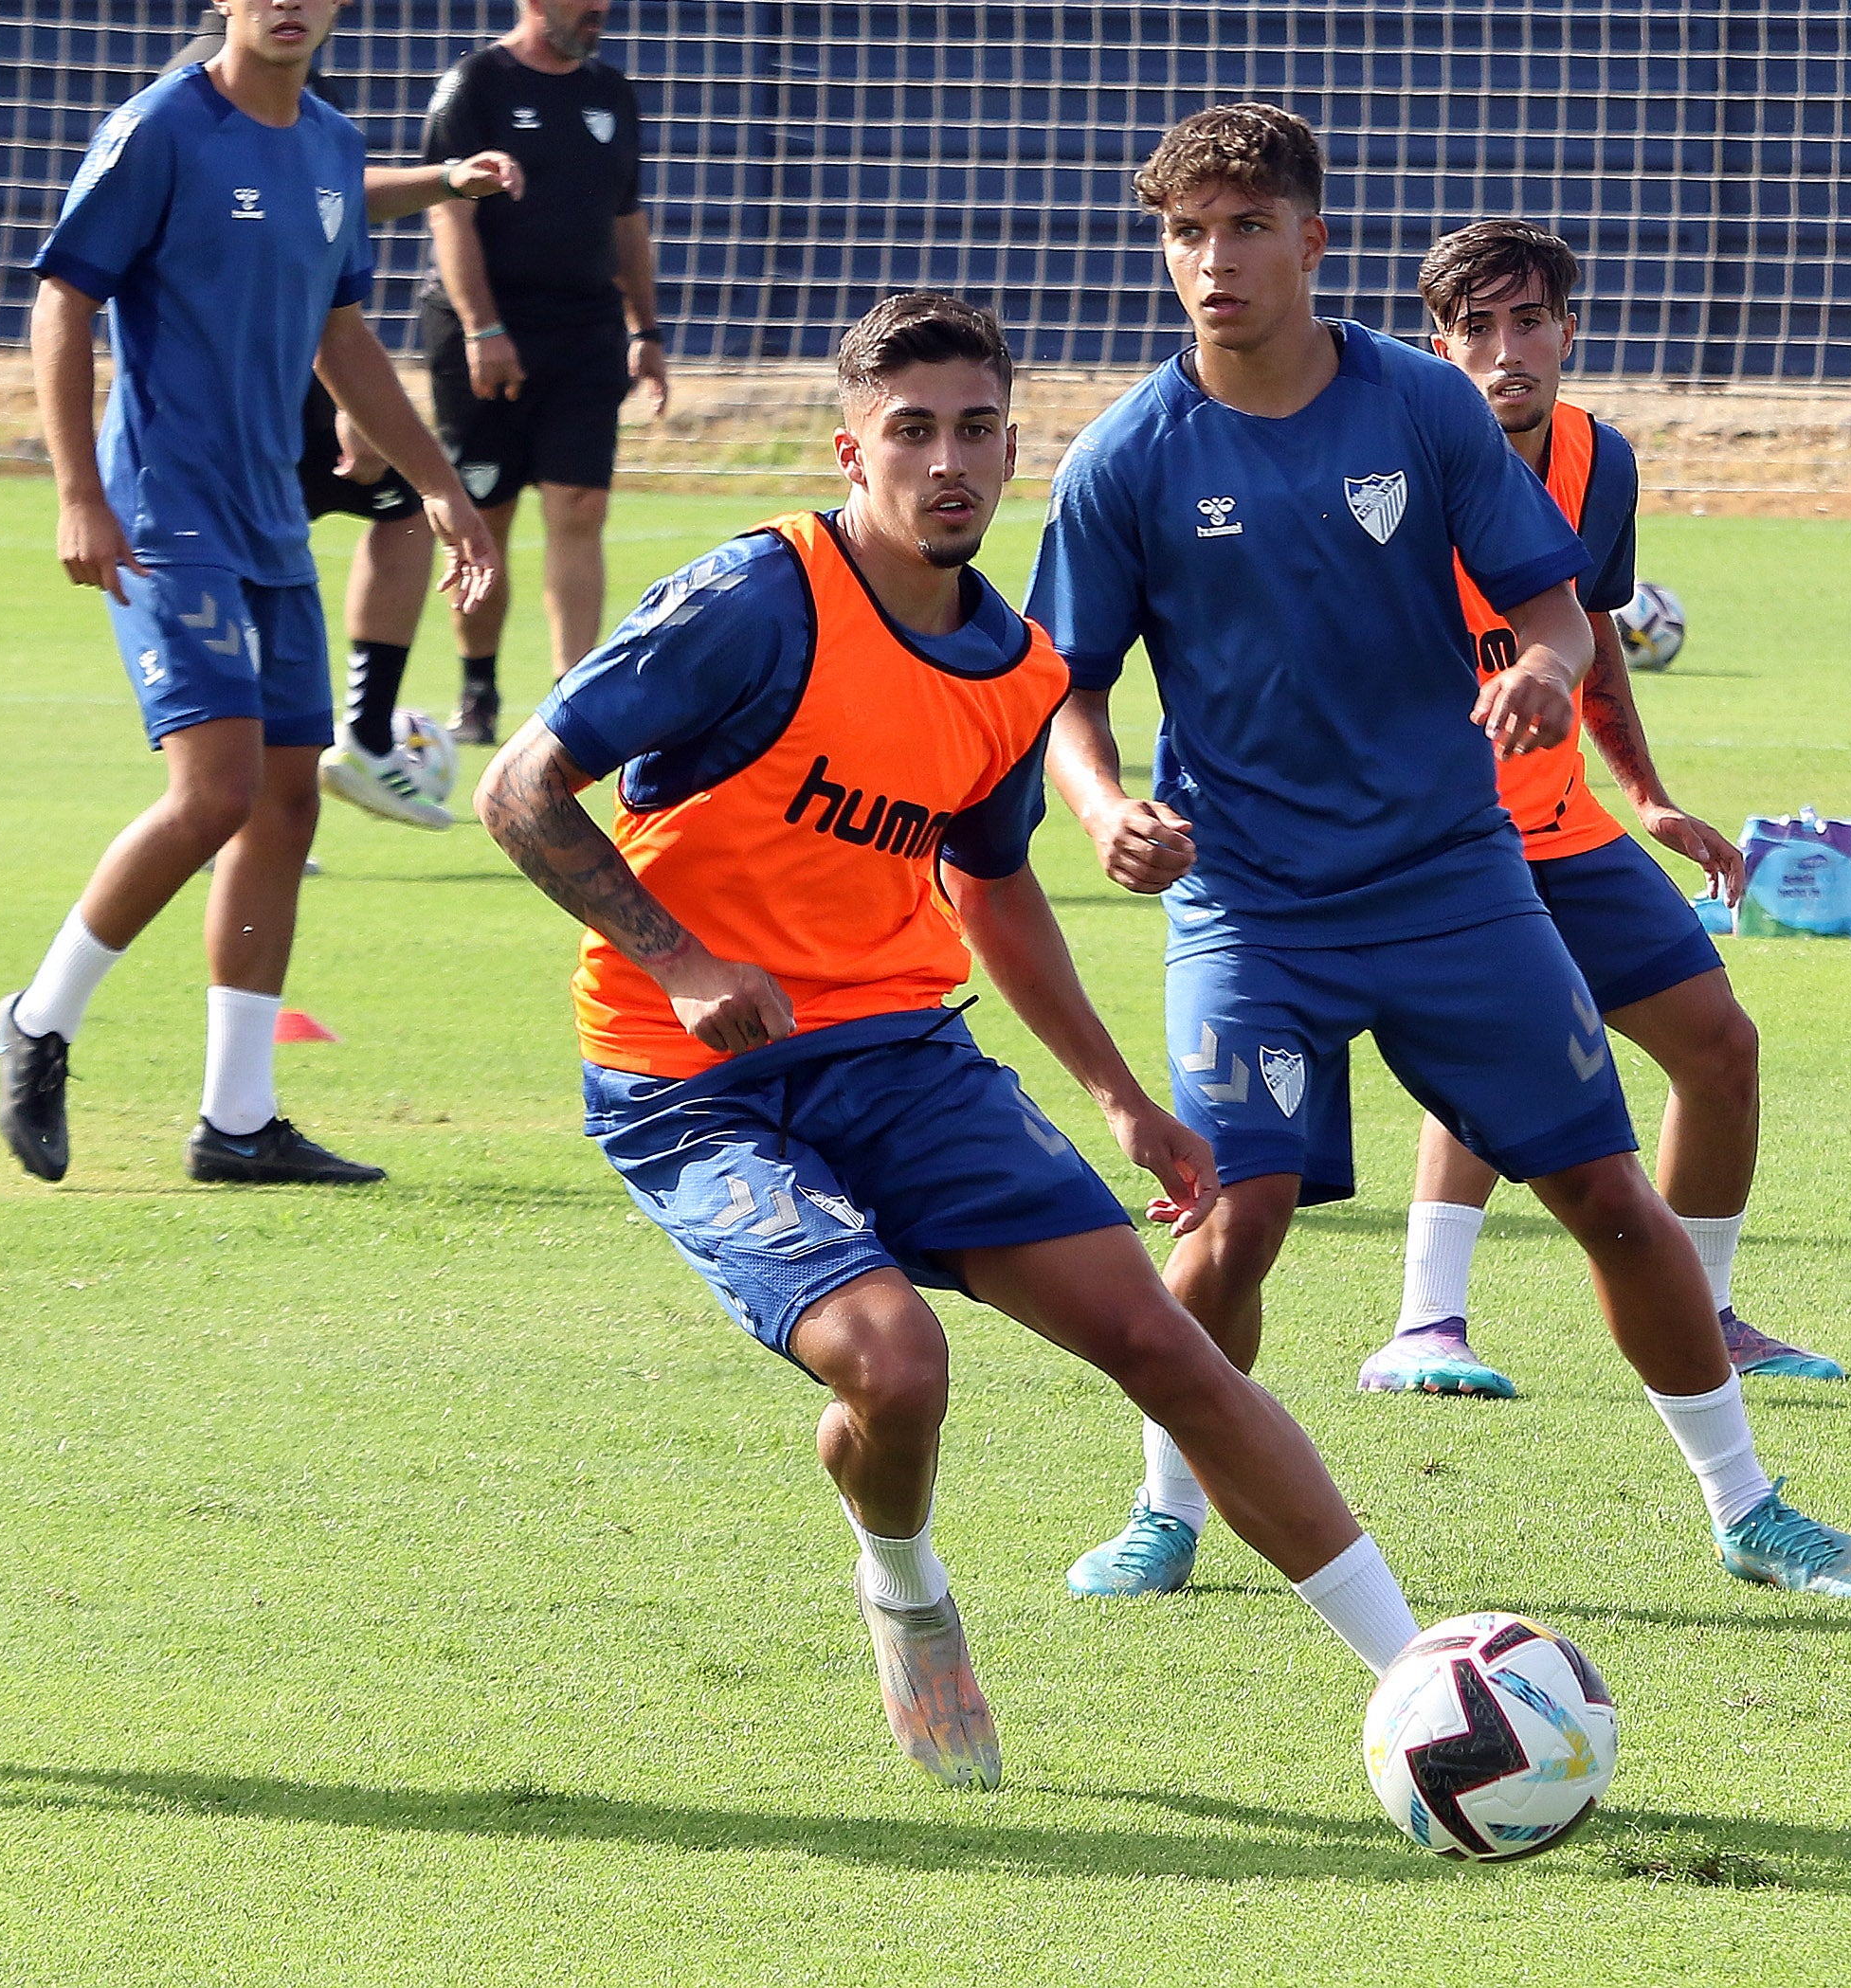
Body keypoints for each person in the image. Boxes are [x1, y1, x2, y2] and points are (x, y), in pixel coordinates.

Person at [473, 292, 1427, 1790]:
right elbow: (520, 790)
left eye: (976, 429)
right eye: (909, 432)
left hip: (904, 1056)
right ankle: (905, 1582)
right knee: (897, 1367)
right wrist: (681, 955)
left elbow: (991, 890)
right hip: (692, 1083)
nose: (946, 463)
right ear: (849, 448)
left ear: (1009, 446)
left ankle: (1424, 1682)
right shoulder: (753, 599)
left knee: (1160, 1345)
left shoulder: (1018, 672)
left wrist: (1117, 1093)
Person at [1025, 103, 1851, 1601]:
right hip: (1249, 908)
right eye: (1185, 232)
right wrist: (1105, 811)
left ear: (1311, 236)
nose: (1212, 260)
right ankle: (1164, 1509)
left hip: (1451, 882)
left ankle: (1747, 1508)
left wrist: (1548, 668)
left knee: (1611, 1200)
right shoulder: (1123, 458)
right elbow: (1068, 697)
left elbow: (1555, 607)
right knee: (1237, 1223)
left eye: (1244, 226)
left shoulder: (1418, 411)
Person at [0, 0, 497, 1188]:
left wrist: (437, 482)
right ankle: (39, 1017)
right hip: (165, 508)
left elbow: (343, 333)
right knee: (212, 790)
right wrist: (76, 491)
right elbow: (63, 298)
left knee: (280, 800)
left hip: (274, 523)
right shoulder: (162, 129)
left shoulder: (331, 147)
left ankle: (236, 1115)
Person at [1356, 218, 1843, 1400]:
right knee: (1497, 1044)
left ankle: (1707, 1312)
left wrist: (1652, 796)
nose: (1505, 350)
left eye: (1530, 321)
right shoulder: (1386, 471)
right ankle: (1426, 1327)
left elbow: (1594, 637)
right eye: (1476, 328)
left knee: (1720, 1047)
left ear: (1569, 331)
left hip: (1565, 825)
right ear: (1438, 345)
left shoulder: (1600, 462)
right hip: (1437, 839)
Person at [154, 9, 526, 829]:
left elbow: (332, 223)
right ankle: (227, 796)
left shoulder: (309, 108)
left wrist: (448, 178)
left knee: (400, 508)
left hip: (303, 391)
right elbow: (70, 297)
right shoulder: (186, 105)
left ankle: (358, 736)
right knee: (240, 592)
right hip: (219, 421)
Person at [419, 0, 669, 741]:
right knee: (484, 510)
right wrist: (482, 327)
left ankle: (570, 703)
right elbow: (449, 219)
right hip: (488, 333)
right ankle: (478, 694)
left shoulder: (611, 93)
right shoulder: (475, 87)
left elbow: (627, 220)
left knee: (578, 504)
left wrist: (647, 330)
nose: (600, 7)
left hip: (584, 330)